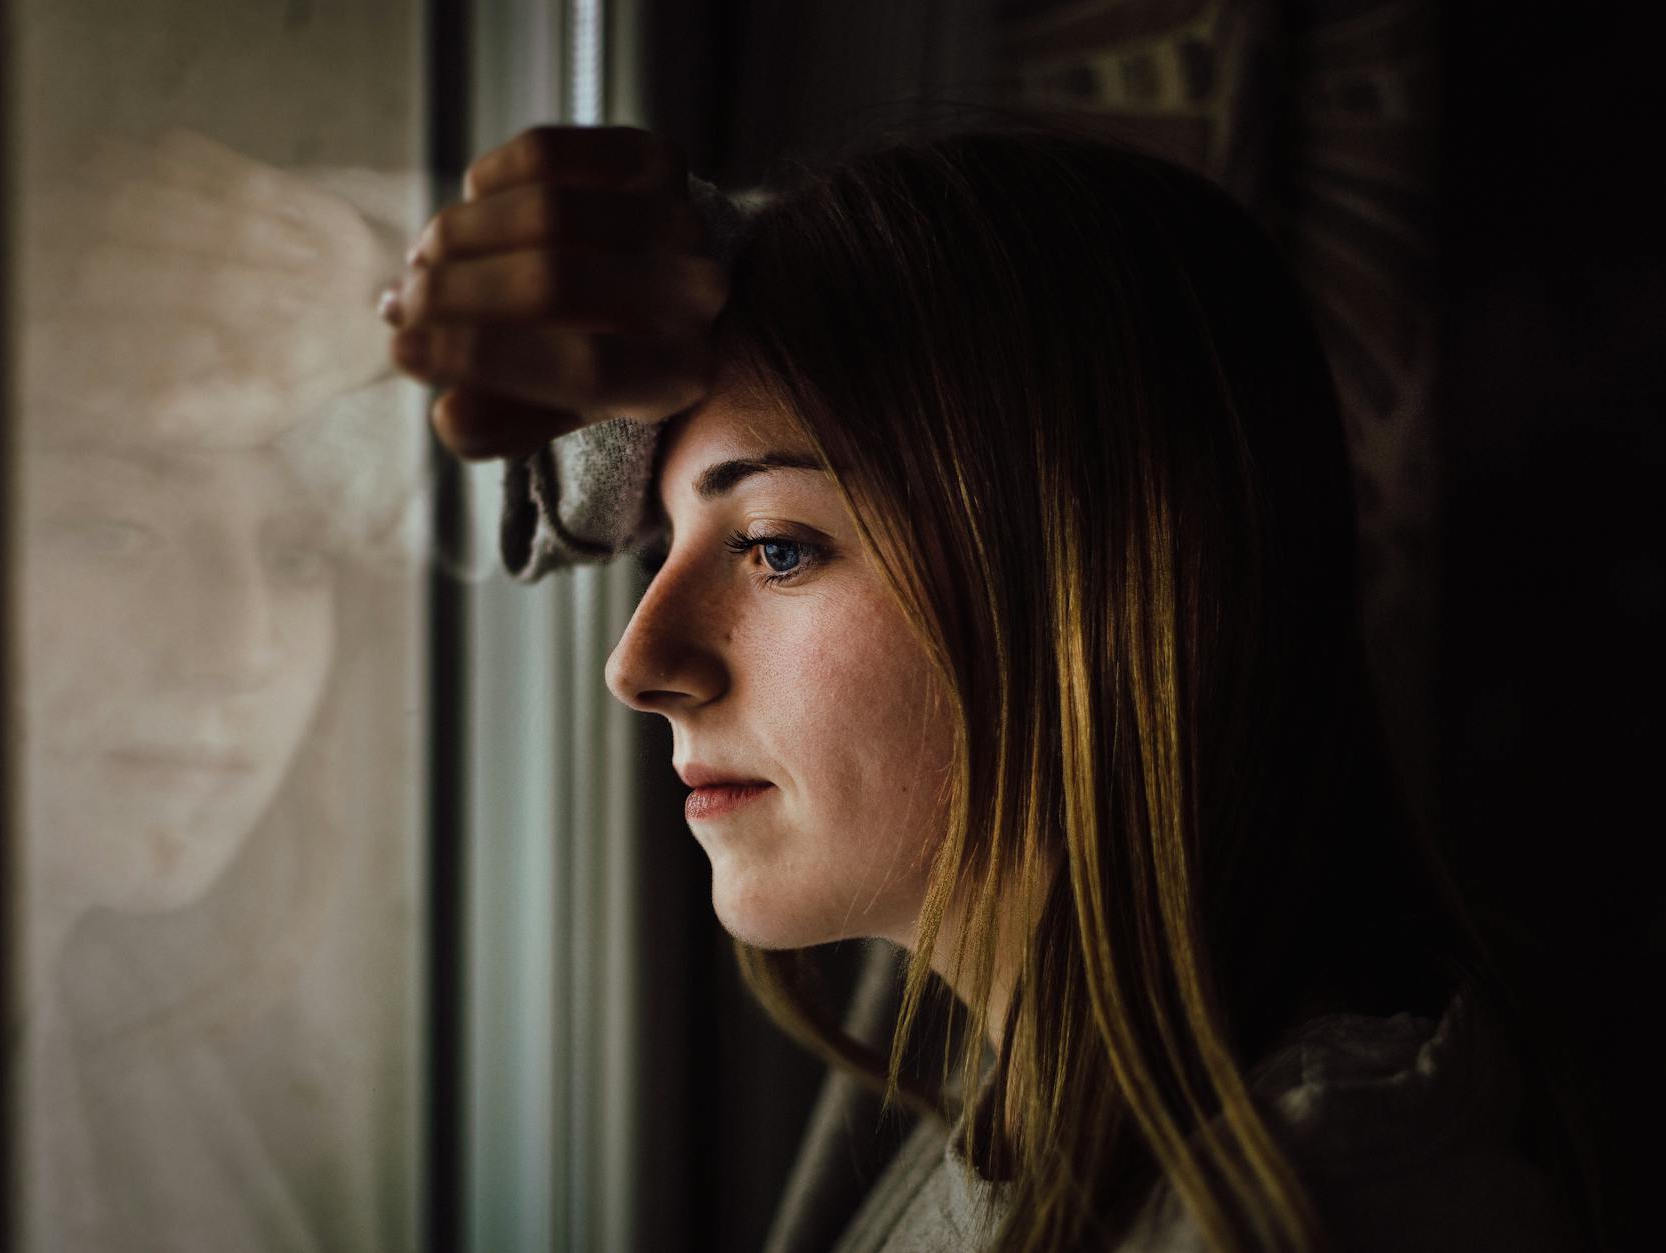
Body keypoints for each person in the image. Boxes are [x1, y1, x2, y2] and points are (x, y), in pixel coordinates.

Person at [386, 119, 1598, 1251]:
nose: (638, 664)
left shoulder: (1298, 1200)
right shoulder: (1023, 1067)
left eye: (776, 547)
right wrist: (691, 274)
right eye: (663, 543)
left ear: (1088, 583)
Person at [16, 128, 428, 1253]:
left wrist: (377, 289)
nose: (238, 648)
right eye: (111, 530)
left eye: (299, 554)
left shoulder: (177, 1056)